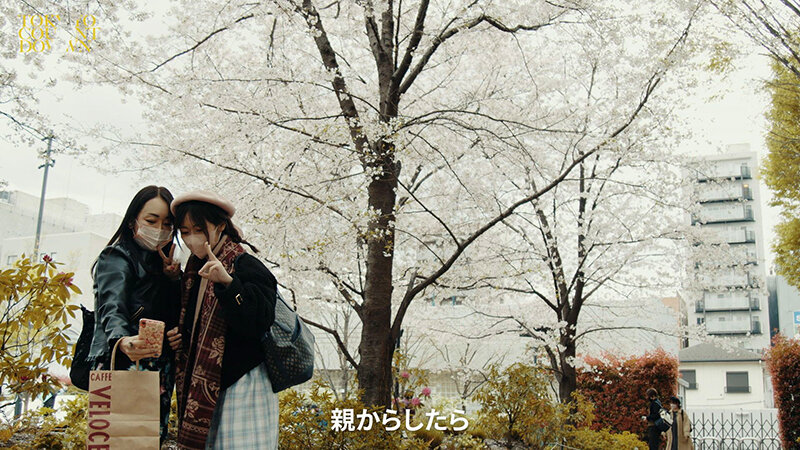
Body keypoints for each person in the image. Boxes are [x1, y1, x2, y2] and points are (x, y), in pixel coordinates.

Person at [169, 191, 278, 449]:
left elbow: (260, 321)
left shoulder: (245, 265)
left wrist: (229, 284)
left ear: (219, 226)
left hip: (242, 386)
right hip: (204, 391)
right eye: (185, 232)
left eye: (199, 229)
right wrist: (178, 338)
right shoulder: (193, 271)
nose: (191, 238)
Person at [87, 185, 182, 443]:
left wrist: (173, 280)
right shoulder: (116, 256)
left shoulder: (167, 265)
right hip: (123, 359)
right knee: (116, 441)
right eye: (151, 221)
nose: (159, 229)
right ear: (133, 221)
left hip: (158, 367)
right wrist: (122, 339)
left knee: (149, 440)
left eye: (167, 223)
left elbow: (176, 315)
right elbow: (111, 307)